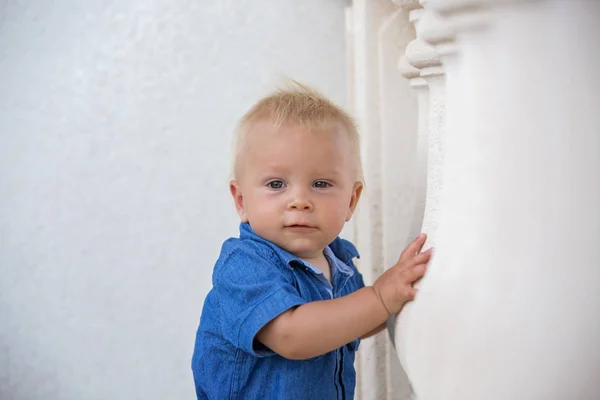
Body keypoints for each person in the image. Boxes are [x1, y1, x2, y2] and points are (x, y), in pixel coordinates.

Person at [191, 81, 432, 399]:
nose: (300, 200)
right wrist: (380, 297)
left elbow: (354, 320)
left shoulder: (339, 263)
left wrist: (402, 296)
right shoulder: (244, 265)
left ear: (351, 201)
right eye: (277, 184)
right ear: (241, 200)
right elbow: (292, 336)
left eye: (321, 183)